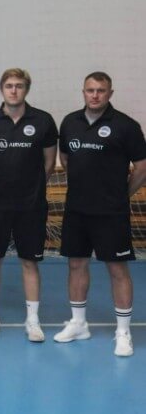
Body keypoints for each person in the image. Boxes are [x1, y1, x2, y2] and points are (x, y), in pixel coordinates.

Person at [55, 72, 146, 357]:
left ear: (110, 93)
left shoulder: (126, 126)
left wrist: (121, 195)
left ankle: (123, 332)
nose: (95, 95)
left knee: (117, 270)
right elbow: (65, 159)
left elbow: (142, 167)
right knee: (76, 264)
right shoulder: (70, 122)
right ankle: (79, 324)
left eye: (101, 90)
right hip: (77, 209)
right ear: (83, 91)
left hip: (111, 212)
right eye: (90, 90)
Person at [0, 69, 57, 341]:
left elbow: (48, 163)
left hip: (31, 206)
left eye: (19, 86)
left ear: (26, 89)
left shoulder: (43, 121)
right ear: (2, 89)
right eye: (9, 85)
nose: (13, 90)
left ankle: (33, 321)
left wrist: (31, 188)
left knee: (30, 262)